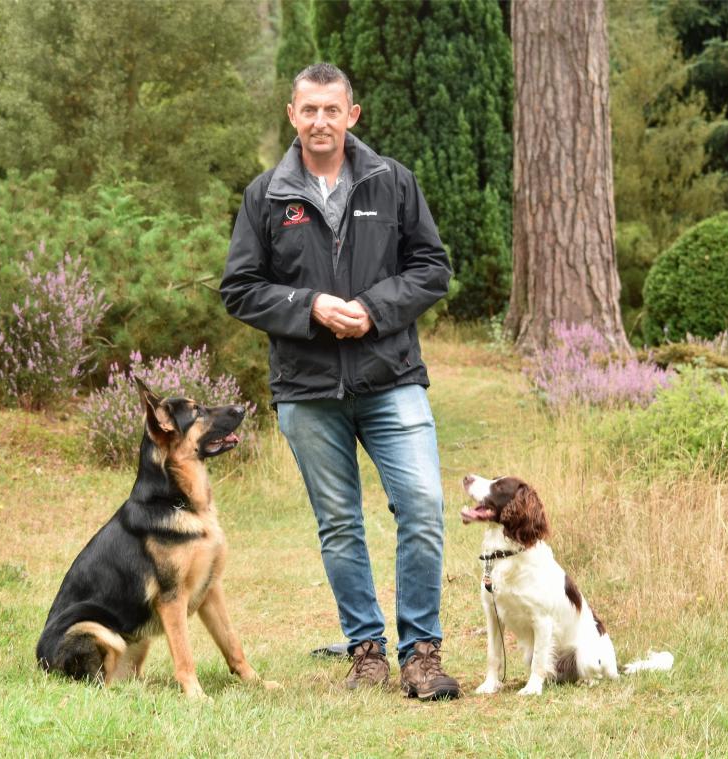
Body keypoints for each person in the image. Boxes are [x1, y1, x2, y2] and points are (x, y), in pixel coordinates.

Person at [220, 63, 460, 700]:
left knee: (424, 509)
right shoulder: (266, 196)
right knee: (340, 524)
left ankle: (422, 653)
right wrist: (310, 308)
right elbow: (240, 289)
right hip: (307, 390)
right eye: (309, 110)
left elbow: (433, 268)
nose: (321, 121)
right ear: (292, 116)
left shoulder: (393, 182)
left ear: (352, 115)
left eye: (333, 109)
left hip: (391, 379)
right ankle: (366, 651)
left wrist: (375, 310)